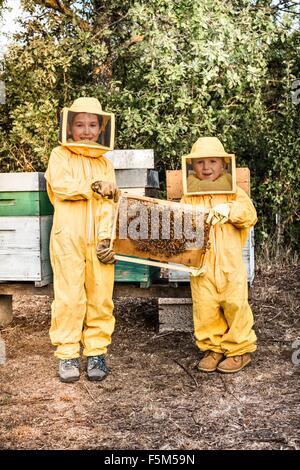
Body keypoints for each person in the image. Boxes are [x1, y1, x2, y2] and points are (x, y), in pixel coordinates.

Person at [45, 97, 120, 383]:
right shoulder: (60, 155)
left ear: (102, 128)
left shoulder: (105, 163)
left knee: (101, 297)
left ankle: (96, 351)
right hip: (68, 239)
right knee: (69, 297)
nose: (86, 131)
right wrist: (93, 187)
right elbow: (61, 186)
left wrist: (107, 239)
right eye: (80, 124)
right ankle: (67, 353)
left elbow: (109, 205)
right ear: (69, 126)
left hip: (98, 241)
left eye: (92, 124)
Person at [181, 137, 257, 373]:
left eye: (212, 161)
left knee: (236, 305)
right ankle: (212, 348)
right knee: (205, 308)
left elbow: (249, 214)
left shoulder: (234, 191)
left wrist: (230, 210)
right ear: (192, 166)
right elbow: (180, 227)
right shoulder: (189, 195)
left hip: (230, 264)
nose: (206, 168)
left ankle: (239, 350)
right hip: (201, 266)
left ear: (224, 164)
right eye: (200, 162)